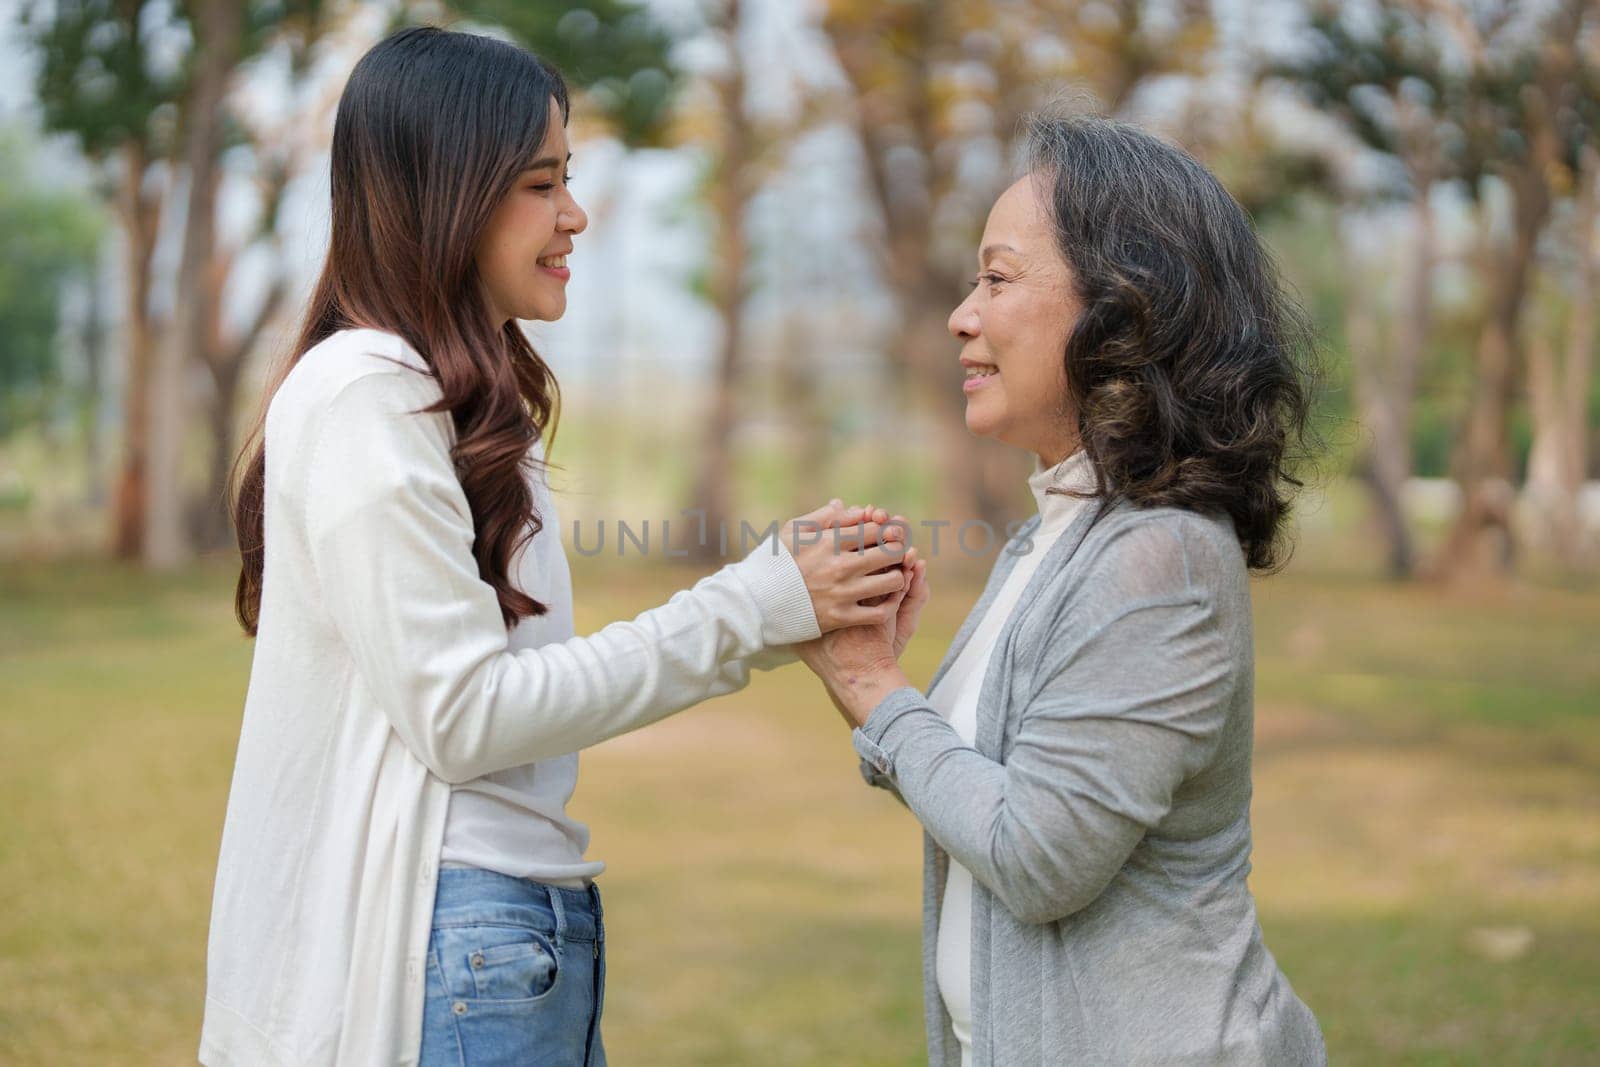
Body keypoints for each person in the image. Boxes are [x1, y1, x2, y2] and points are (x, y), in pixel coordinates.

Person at [201, 26, 914, 1067]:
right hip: (450, 937)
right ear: (452, 190)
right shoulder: (368, 392)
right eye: (542, 184)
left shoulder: (457, 399)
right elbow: (464, 714)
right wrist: (753, 607)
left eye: (565, 178)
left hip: (511, 927)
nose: (574, 213)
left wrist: (778, 600)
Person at [797, 114, 1328, 1065]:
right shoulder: (1056, 534)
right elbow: (985, 793)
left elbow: (1037, 858)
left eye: (998, 278)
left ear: (1123, 312)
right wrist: (886, 685)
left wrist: (874, 689)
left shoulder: (1157, 559)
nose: (962, 313)